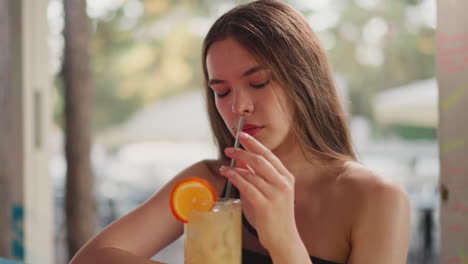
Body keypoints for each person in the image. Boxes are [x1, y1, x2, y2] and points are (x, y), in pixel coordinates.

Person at [70, 1, 410, 263]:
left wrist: (283, 241)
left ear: (303, 80)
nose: (239, 106)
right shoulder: (211, 183)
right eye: (222, 91)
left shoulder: (377, 200)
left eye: (258, 82)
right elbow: (90, 259)